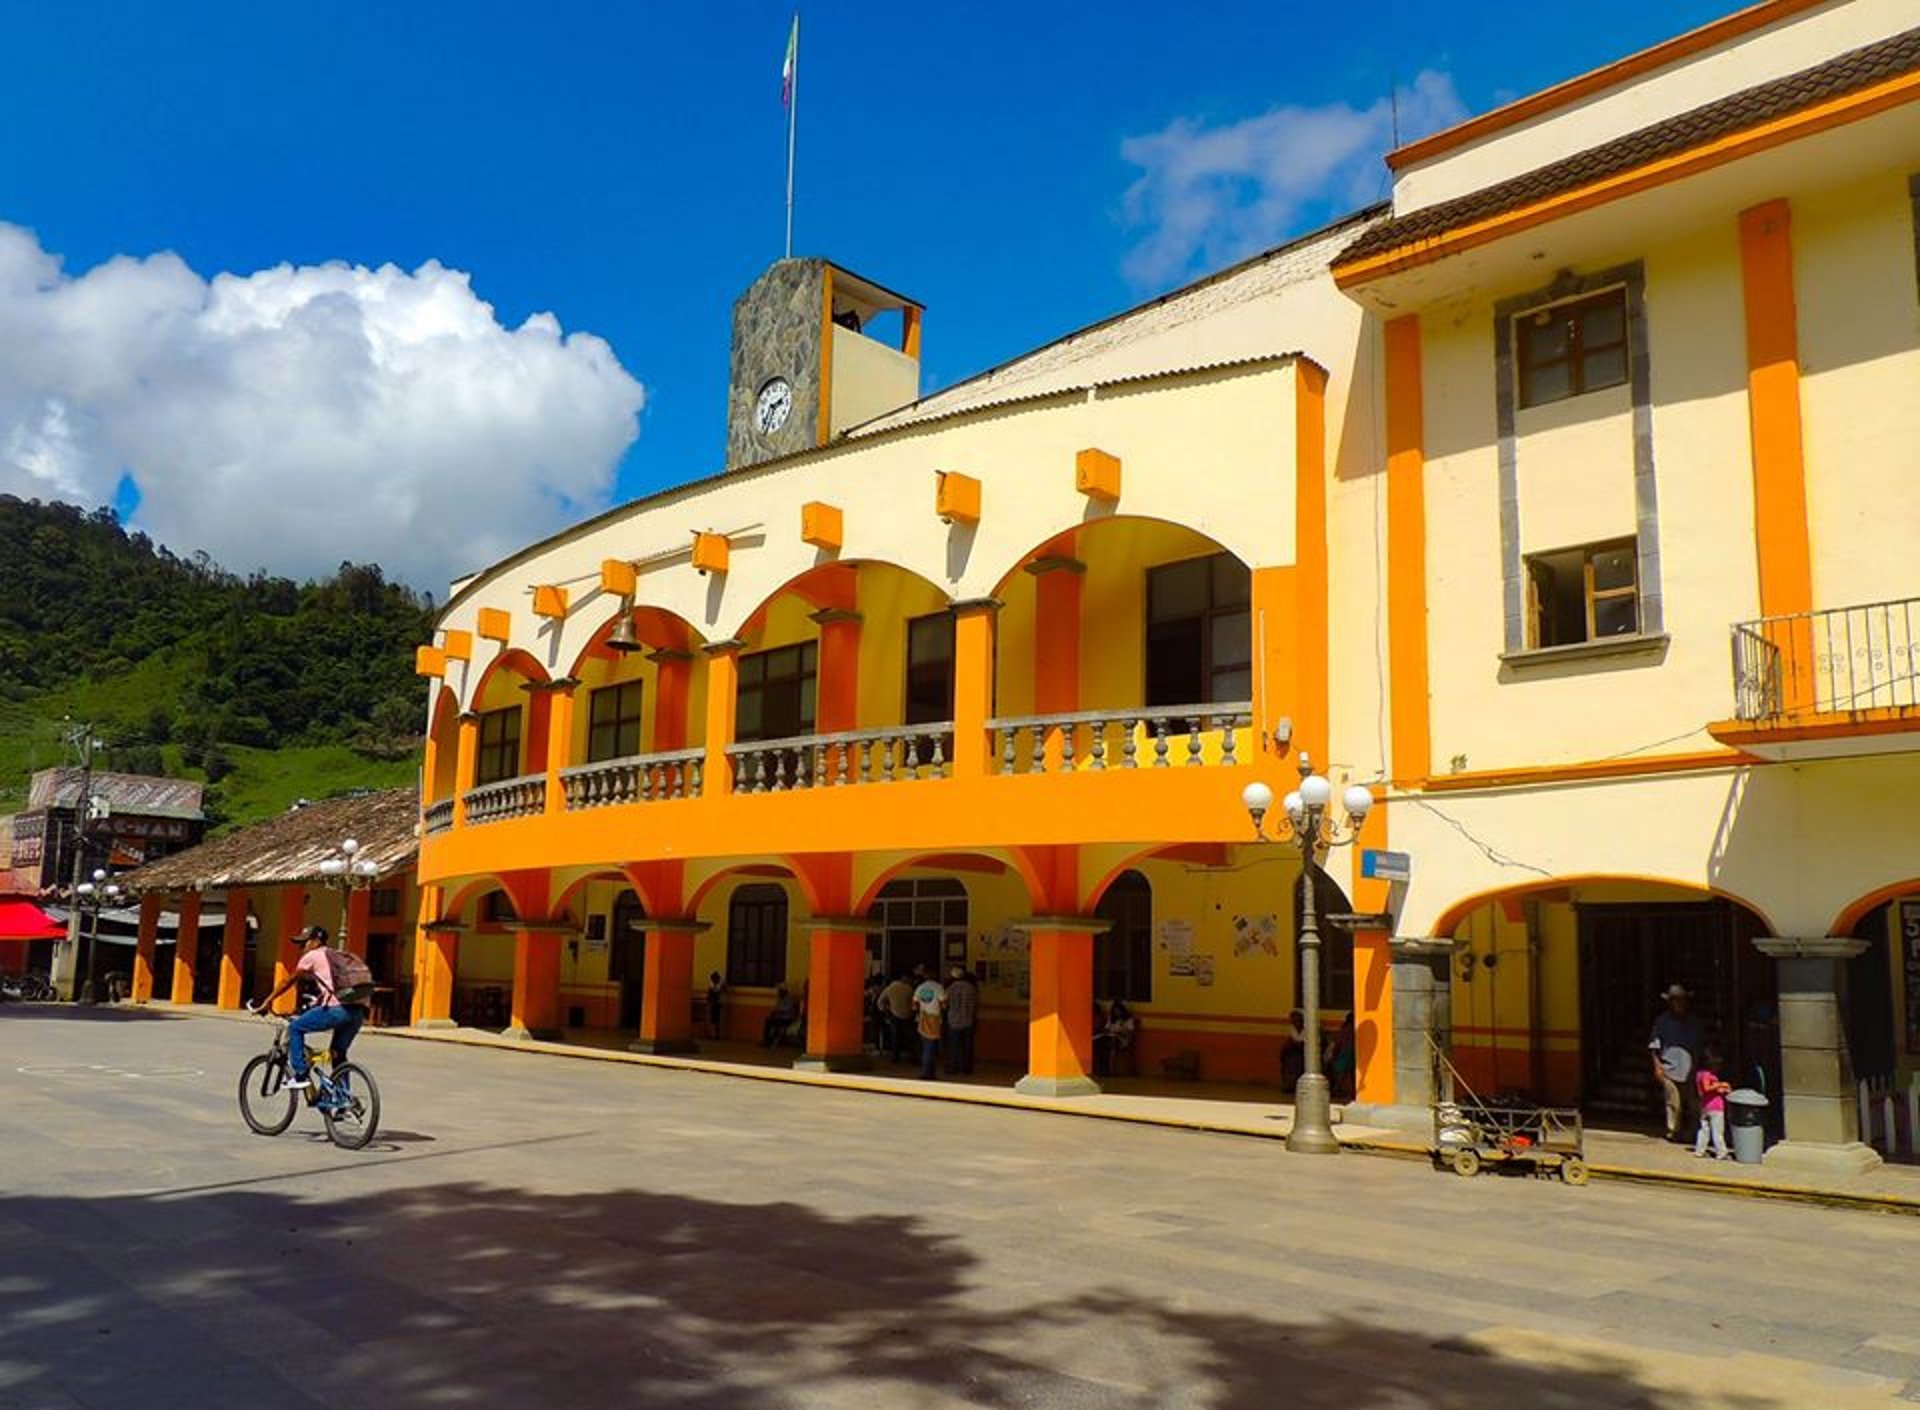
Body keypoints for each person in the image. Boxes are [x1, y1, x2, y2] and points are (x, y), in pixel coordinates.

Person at [249, 926, 369, 1092]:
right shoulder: (334, 956)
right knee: (338, 1054)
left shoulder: (313, 956)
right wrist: (315, 1004)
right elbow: (333, 987)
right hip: (357, 1012)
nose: (302, 948)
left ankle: (300, 1075)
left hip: (337, 1010)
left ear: (316, 942)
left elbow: (288, 981)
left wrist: (268, 1001)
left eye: (304, 943)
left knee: (295, 1028)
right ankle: (344, 1101)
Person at [1648, 984, 1703, 1141]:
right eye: (1676, 1001)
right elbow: (1654, 1045)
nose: (1680, 1004)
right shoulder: (1662, 1021)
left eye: (1682, 1000)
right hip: (1669, 1068)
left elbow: (1698, 1047)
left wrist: (1696, 1068)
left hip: (1690, 1069)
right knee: (1673, 1103)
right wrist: (1657, 1066)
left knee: (1693, 1105)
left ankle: (1695, 1132)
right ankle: (1673, 1131)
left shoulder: (1694, 1022)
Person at [1693, 1046, 1733, 1160]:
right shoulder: (1707, 1075)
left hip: (1704, 1105)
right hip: (1715, 1107)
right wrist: (1721, 1084)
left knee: (1704, 1130)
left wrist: (1722, 1090)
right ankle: (1721, 1152)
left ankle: (1699, 1150)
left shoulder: (1699, 1074)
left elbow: (1707, 1090)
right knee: (1717, 1131)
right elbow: (1706, 1088)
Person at [911, 966, 946, 1079]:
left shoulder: (920, 988)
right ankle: (927, 1073)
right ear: (935, 976)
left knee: (925, 1045)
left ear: (925, 976)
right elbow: (944, 1004)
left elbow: (914, 1005)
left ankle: (928, 1072)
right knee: (930, 1047)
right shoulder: (938, 987)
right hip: (934, 1018)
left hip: (922, 1018)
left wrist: (922, 1008)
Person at [944, 966, 979, 1075]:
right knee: (968, 1046)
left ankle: (953, 1067)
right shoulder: (971, 988)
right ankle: (967, 1068)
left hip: (953, 1020)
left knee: (954, 1045)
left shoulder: (950, 988)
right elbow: (975, 1004)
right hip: (968, 1020)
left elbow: (945, 1004)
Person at [1094, 998, 1138, 1077]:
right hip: (1109, 1038)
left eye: (1118, 1011)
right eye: (1114, 1011)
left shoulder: (1128, 1020)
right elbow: (1106, 1028)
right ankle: (1103, 1070)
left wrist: (1120, 1032)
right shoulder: (1111, 1019)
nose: (1116, 1013)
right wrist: (1107, 1031)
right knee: (1100, 1044)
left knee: (1111, 1043)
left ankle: (1110, 1071)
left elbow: (1130, 1032)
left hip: (1122, 1039)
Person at [878, 971, 915, 1063]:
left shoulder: (889, 988)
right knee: (909, 1037)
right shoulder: (909, 988)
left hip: (893, 1015)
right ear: (904, 978)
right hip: (907, 1016)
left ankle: (895, 1057)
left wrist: (885, 1011)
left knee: (895, 1037)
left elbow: (880, 1002)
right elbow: (913, 1003)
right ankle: (913, 1056)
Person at [1324, 1012, 1357, 1102]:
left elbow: (1338, 1043)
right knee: (1344, 1075)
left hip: (1345, 1054)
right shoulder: (1350, 1029)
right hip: (1347, 1054)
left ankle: (1338, 1090)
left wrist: (1334, 1055)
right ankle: (1340, 1090)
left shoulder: (1345, 1029)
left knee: (1341, 1075)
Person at [1280, 1009, 1307, 1093]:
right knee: (1289, 1064)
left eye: (1296, 1020)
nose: (1294, 1023)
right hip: (1292, 1052)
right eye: (1293, 1021)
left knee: (1298, 1064)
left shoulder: (1307, 1029)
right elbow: (1290, 1041)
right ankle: (1289, 1084)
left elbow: (1303, 1042)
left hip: (1303, 1052)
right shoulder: (1292, 1029)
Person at [705, 971, 726, 1040]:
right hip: (714, 1004)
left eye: (715, 978)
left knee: (716, 1021)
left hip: (717, 1004)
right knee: (713, 1021)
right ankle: (713, 1035)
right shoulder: (712, 986)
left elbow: (721, 993)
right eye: (713, 978)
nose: (714, 980)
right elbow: (709, 995)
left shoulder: (720, 986)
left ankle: (716, 1035)